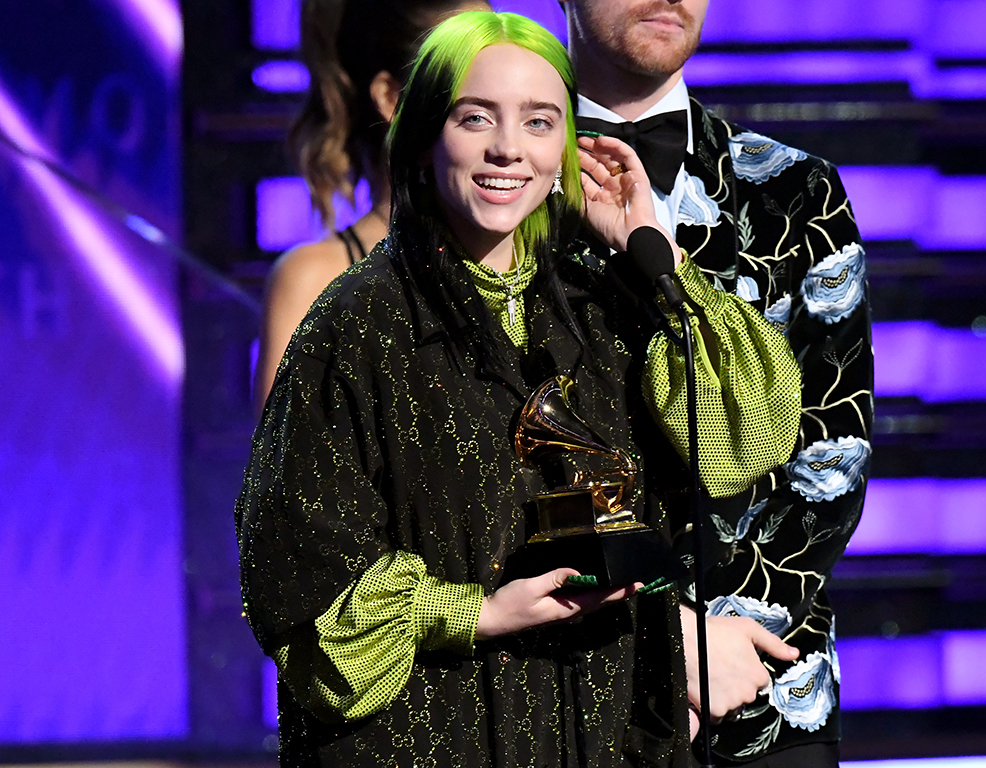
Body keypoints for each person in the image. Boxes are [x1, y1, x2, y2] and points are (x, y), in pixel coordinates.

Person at [236, 10, 802, 767]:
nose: (508, 148)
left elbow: (748, 441)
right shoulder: (355, 322)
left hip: (591, 727)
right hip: (425, 736)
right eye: (476, 118)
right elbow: (295, 575)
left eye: (540, 122)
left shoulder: (597, 306)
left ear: (566, 146)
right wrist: (477, 612)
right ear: (424, 130)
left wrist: (657, 255)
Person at [560, 1, 874, 766]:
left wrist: (717, 648)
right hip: (566, 684)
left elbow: (835, 449)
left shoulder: (796, 189)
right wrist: (663, 640)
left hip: (767, 687)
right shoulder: (499, 185)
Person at [254, 0, 490, 408]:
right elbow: (289, 468)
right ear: (392, 98)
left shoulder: (539, 261)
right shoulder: (316, 281)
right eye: (466, 85)